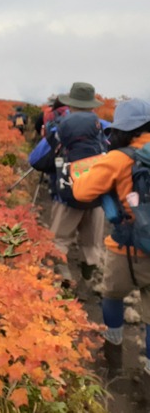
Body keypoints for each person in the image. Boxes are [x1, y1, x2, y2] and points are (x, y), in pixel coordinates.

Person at [73, 98, 150, 378]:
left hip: (125, 249)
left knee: (112, 295)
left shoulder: (118, 158)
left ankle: (114, 354)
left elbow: (82, 192)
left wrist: (84, 172)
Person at [28, 82, 109, 284]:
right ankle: (89, 268)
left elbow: (35, 160)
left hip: (66, 195)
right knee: (92, 242)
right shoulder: (104, 128)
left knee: (60, 239)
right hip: (97, 196)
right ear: (92, 105)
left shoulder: (61, 128)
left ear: (70, 104)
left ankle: (61, 276)